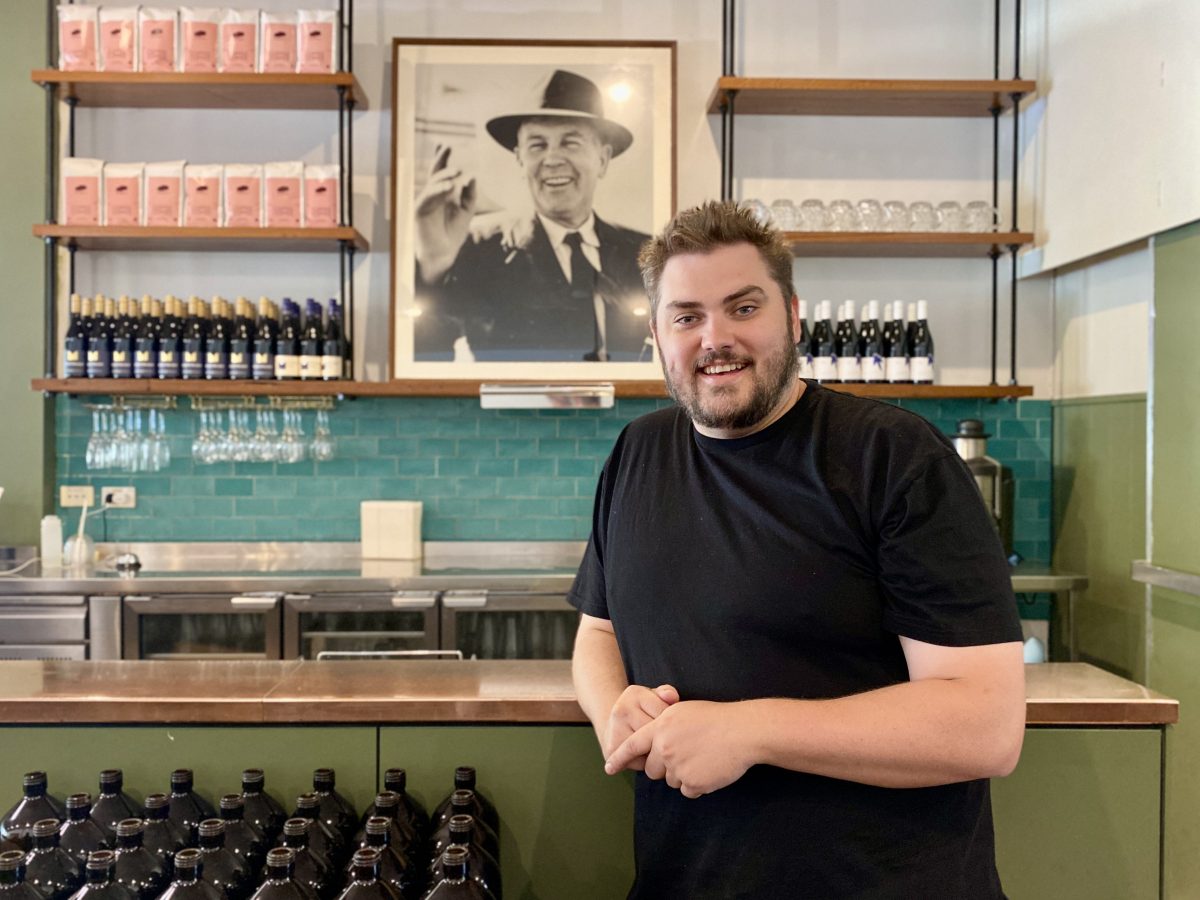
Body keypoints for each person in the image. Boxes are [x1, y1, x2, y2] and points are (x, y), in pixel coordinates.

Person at [567, 200, 1026, 898]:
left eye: (742, 307)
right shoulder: (638, 452)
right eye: (687, 316)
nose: (714, 337)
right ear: (658, 336)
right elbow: (596, 633)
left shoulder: (893, 457)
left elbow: (985, 725)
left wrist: (751, 732)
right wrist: (614, 713)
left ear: (792, 316)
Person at [413, 68, 652, 362]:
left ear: (602, 159)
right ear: (520, 159)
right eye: (537, 145)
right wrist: (432, 266)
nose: (551, 159)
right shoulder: (474, 246)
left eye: (570, 142)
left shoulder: (646, 254)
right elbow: (426, 362)